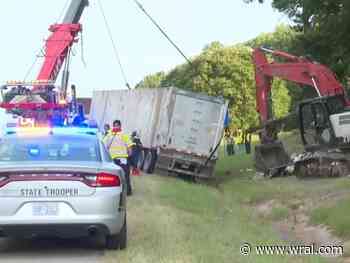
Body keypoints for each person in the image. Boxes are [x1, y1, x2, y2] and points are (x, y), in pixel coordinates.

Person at [103, 120, 134, 196]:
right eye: (115, 125)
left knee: (121, 176)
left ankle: (124, 191)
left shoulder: (116, 135)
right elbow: (129, 146)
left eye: (117, 125)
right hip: (117, 159)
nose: (116, 127)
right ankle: (125, 191)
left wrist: (129, 153)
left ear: (120, 126)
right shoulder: (111, 135)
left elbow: (129, 145)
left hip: (117, 158)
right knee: (122, 176)